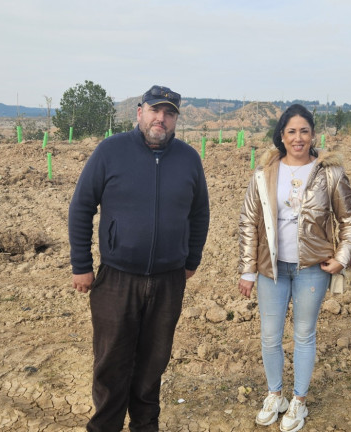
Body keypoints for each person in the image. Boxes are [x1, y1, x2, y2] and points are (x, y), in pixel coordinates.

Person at [68, 85, 210, 432]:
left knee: (153, 362)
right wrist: (82, 266)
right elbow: (82, 207)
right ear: (139, 112)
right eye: (154, 110)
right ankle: (105, 427)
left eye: (169, 113)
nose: (161, 118)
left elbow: (200, 213)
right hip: (117, 278)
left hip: (168, 280)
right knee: (111, 362)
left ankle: (146, 426)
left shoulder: (189, 158)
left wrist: (191, 258)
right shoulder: (110, 151)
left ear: (176, 119)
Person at [238, 104, 351, 432]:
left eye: (304, 131)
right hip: (271, 268)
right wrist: (248, 270)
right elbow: (249, 222)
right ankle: (275, 394)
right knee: (269, 336)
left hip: (311, 270)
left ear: (313, 135)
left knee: (304, 334)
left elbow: (350, 218)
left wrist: (342, 257)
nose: (298, 137)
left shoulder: (329, 173)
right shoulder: (264, 174)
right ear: (281, 136)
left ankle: (299, 401)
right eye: (291, 131)